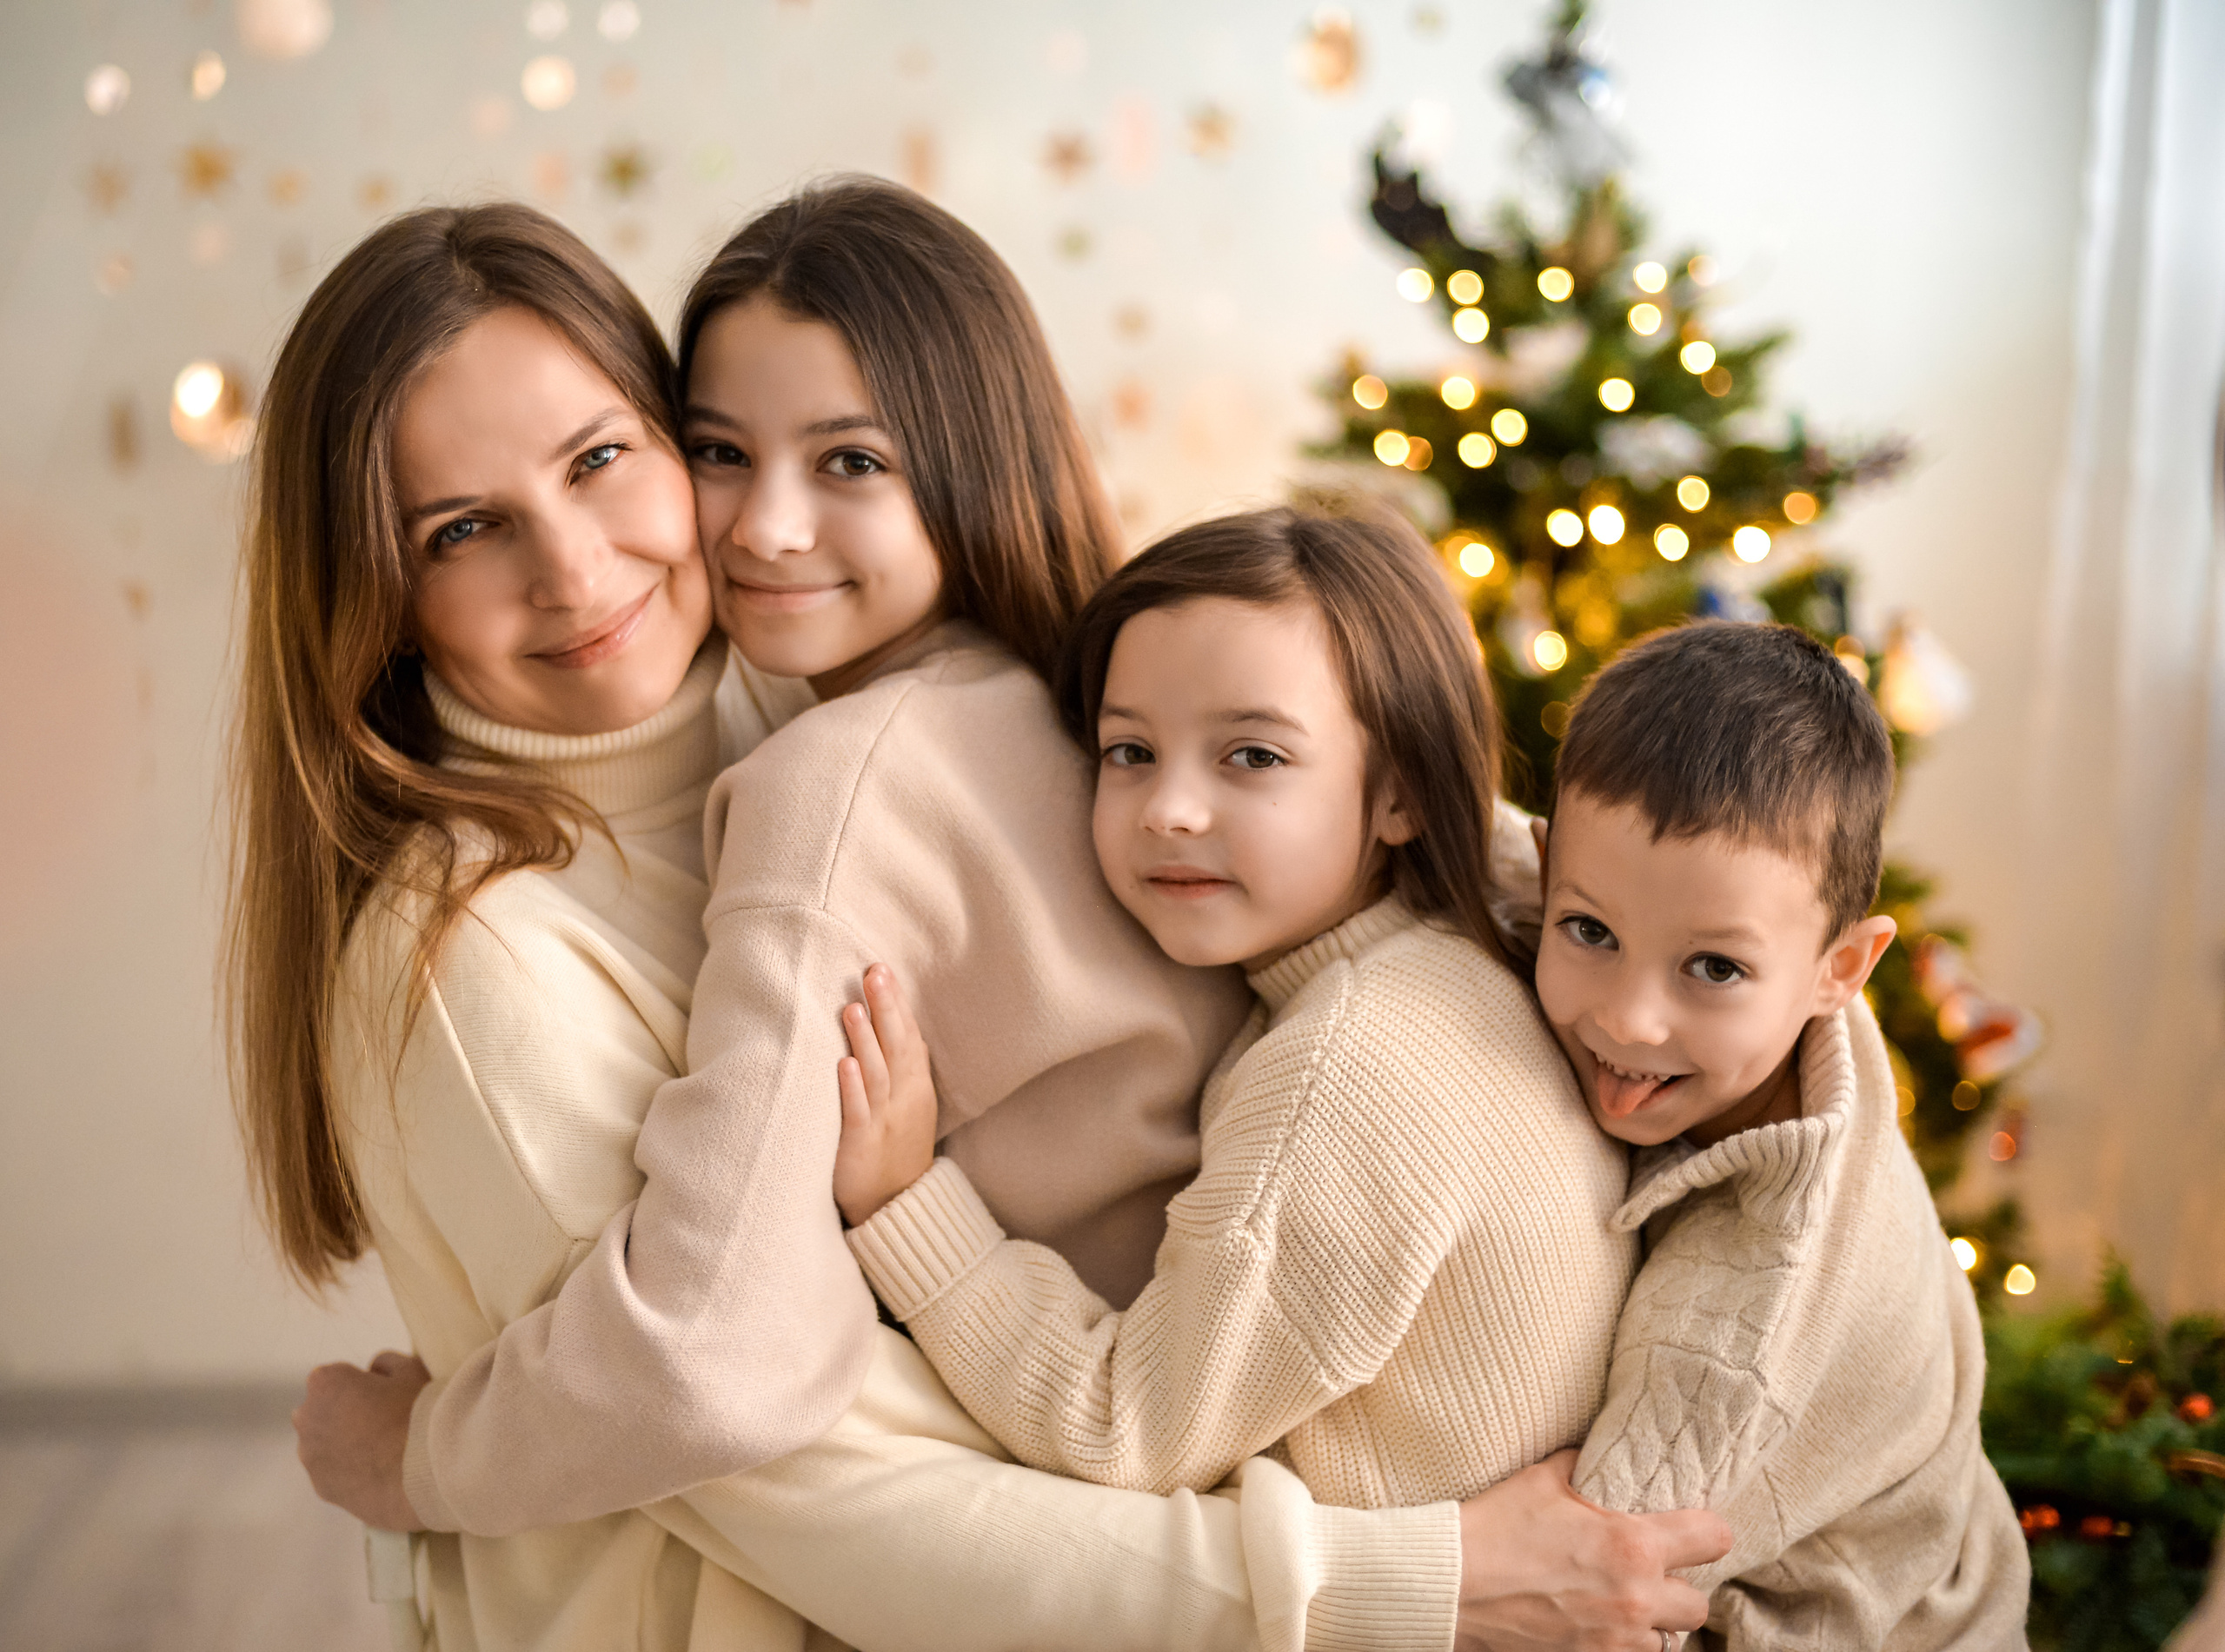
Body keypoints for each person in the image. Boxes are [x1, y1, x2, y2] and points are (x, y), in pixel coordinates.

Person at [260, 190, 1729, 1649]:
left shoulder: (894, 736)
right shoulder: (516, 932)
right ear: (379, 590)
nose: (587, 566)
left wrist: (426, 1455)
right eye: (460, 529)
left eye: (601, 459)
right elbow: (724, 1370)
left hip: (1225, 1468)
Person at [829, 506, 1639, 1519]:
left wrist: (906, 1200)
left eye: (1252, 756)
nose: (1169, 808)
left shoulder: (1347, 1063)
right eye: (1129, 750)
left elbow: (1121, 1426)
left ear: (1400, 793)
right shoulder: (1463, 959)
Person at [1532, 622, 2031, 1644]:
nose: (1629, 1018)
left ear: (1839, 970)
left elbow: (1590, 1595)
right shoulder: (1777, 999)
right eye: (1588, 929)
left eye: (1713, 968)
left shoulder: (1737, 1322)